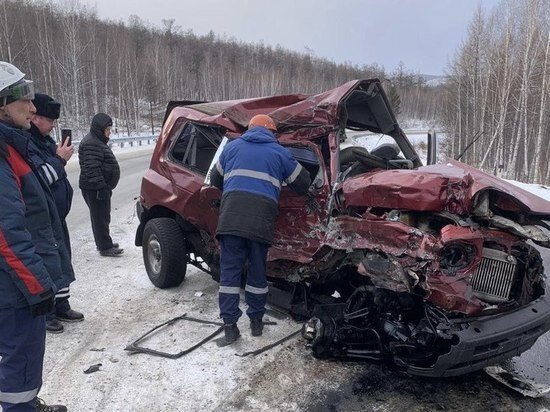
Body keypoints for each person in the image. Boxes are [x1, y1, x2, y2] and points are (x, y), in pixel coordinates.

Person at [0, 61, 67, 411]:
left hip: (12, 283)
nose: (32, 106)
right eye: (21, 98)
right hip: (14, 289)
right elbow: (6, 232)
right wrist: (37, 285)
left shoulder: (12, 144)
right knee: (21, 365)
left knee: (18, 363)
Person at [209, 114, 311, 344]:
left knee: (229, 276)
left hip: (231, 219)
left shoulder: (232, 147)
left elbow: (215, 179)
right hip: (260, 222)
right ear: (272, 133)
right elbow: (303, 183)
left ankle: (230, 327)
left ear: (250, 129)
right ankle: (256, 323)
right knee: (257, 273)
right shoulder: (279, 152)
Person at [29, 93, 84, 333]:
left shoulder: (46, 142)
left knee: (62, 259)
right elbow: (38, 181)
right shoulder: (27, 143)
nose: (53, 125)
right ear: (35, 118)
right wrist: (59, 160)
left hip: (56, 217)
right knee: (48, 262)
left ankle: (62, 304)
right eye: (49, 120)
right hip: (40, 219)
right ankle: (48, 311)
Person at [78, 112, 123, 257]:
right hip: (95, 188)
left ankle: (104, 242)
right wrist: (101, 187)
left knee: (102, 216)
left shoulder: (96, 140)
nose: (109, 133)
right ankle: (105, 247)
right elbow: (92, 168)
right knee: (100, 218)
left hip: (97, 187)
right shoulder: (92, 143)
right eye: (107, 130)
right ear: (99, 129)